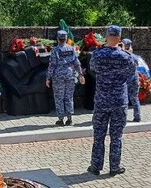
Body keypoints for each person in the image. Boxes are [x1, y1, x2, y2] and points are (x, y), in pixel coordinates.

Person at [87, 25, 138, 176]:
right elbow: (133, 79)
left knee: (99, 135)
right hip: (119, 101)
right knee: (116, 136)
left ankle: (95, 166)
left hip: (102, 100)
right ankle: (114, 167)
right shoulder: (127, 57)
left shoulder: (97, 55)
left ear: (107, 37)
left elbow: (92, 70)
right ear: (119, 38)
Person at [46, 29, 85, 126]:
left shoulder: (55, 50)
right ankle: (69, 118)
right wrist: (80, 74)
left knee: (59, 98)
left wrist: (48, 78)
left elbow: (52, 65)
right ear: (66, 38)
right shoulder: (71, 49)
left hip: (58, 76)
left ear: (58, 39)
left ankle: (61, 119)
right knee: (69, 97)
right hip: (69, 75)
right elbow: (76, 62)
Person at [121, 38, 142, 122]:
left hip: (125, 80)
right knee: (134, 98)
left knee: (124, 99)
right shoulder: (135, 57)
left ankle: (123, 117)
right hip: (135, 80)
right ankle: (137, 116)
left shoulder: (122, 56)